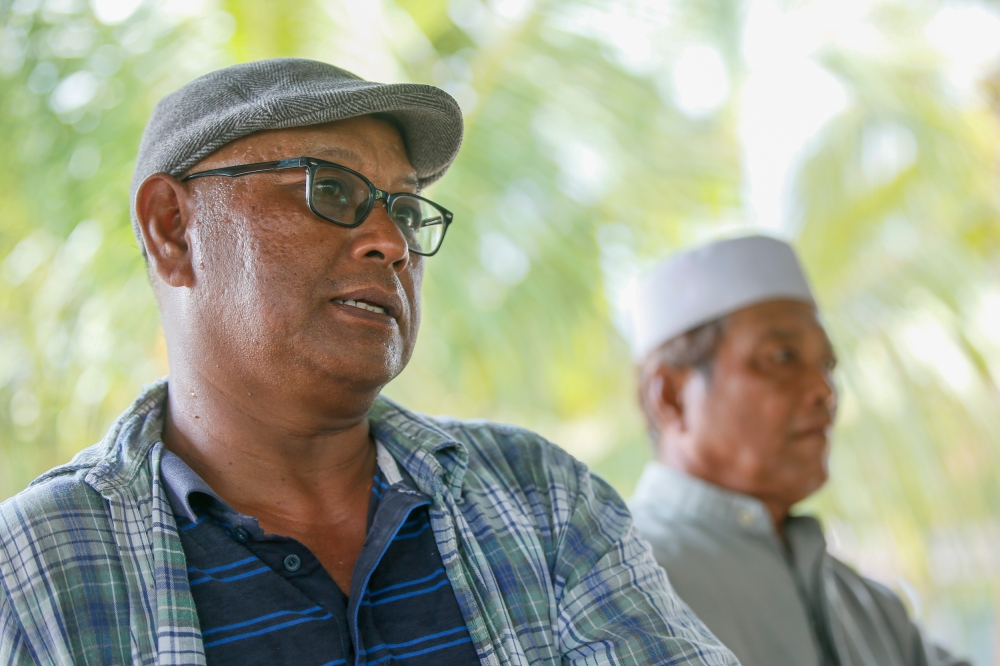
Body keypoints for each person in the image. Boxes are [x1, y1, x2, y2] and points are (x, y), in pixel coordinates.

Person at [0, 58, 737, 666]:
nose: (391, 240)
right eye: (333, 190)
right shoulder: (36, 569)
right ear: (172, 229)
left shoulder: (541, 501)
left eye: (407, 209)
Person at [626, 235, 969, 666]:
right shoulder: (615, 586)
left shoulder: (869, 608)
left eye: (827, 366)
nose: (824, 391)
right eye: (783, 357)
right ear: (670, 396)